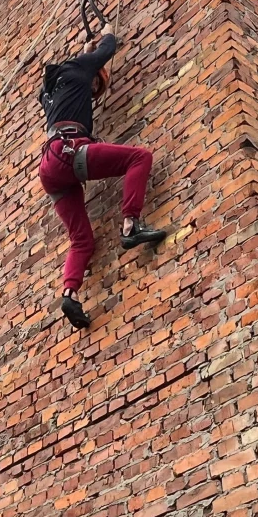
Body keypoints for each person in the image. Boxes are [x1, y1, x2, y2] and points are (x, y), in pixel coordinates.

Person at [38, 22, 167, 329]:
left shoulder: (51, 90)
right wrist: (107, 31)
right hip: (69, 152)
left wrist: (84, 55)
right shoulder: (81, 69)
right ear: (91, 74)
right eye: (96, 85)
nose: (94, 93)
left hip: (50, 168)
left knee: (81, 240)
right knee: (140, 157)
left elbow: (62, 85)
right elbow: (108, 49)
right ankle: (130, 225)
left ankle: (69, 294)